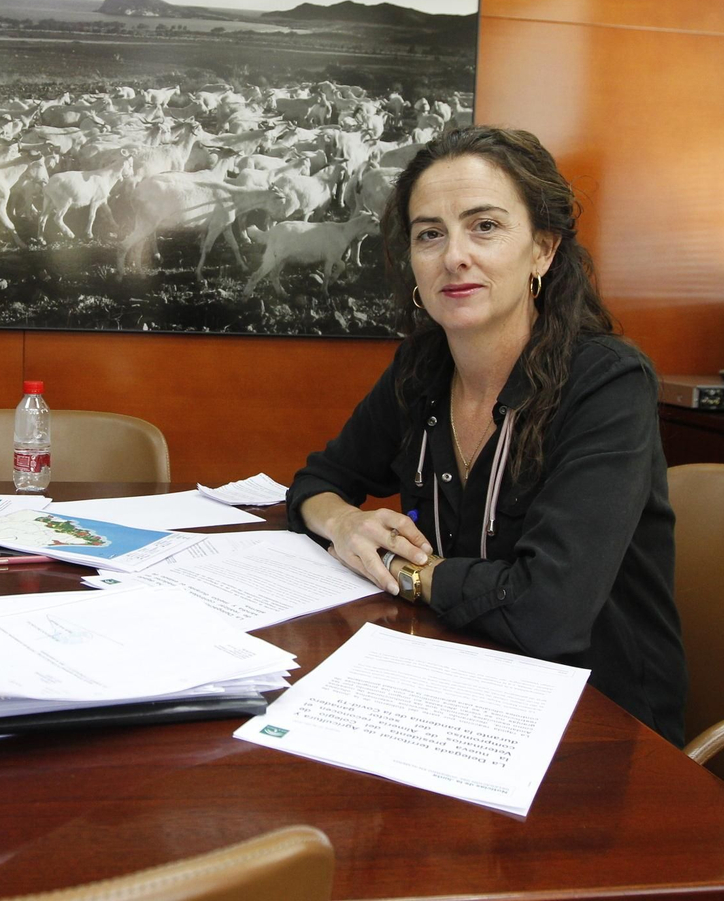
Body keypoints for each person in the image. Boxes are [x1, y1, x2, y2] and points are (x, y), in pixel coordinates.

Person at [288, 125, 687, 745]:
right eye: (429, 234)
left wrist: (407, 572)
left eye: (485, 227)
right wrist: (341, 522)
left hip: (599, 724)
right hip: (455, 684)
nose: (454, 256)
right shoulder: (421, 368)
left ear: (543, 251)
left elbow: (548, 614)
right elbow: (318, 481)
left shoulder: (608, 384)